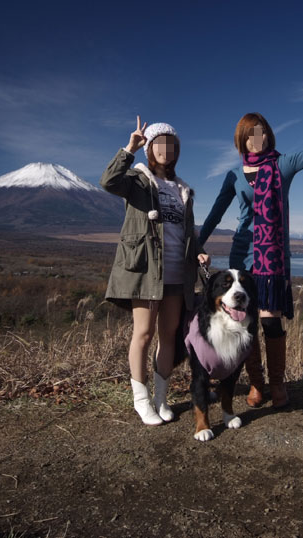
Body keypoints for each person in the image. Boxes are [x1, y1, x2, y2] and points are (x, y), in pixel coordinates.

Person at [199, 76, 303, 408]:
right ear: (242, 140)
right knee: (244, 323)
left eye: (263, 131)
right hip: (242, 259)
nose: (259, 138)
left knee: (269, 321)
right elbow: (214, 214)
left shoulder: (283, 165)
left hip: (272, 260)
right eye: (252, 134)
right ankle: (256, 384)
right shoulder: (234, 176)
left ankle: (277, 384)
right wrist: (197, 244)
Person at [101, 116, 210, 425]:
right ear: (150, 147)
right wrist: (129, 148)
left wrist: (199, 252)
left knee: (169, 336)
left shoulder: (182, 189)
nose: (166, 149)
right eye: (160, 143)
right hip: (148, 270)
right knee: (144, 333)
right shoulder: (137, 180)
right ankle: (141, 399)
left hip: (178, 273)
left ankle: (161, 399)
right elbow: (108, 181)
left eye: (172, 144)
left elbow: (187, 231)